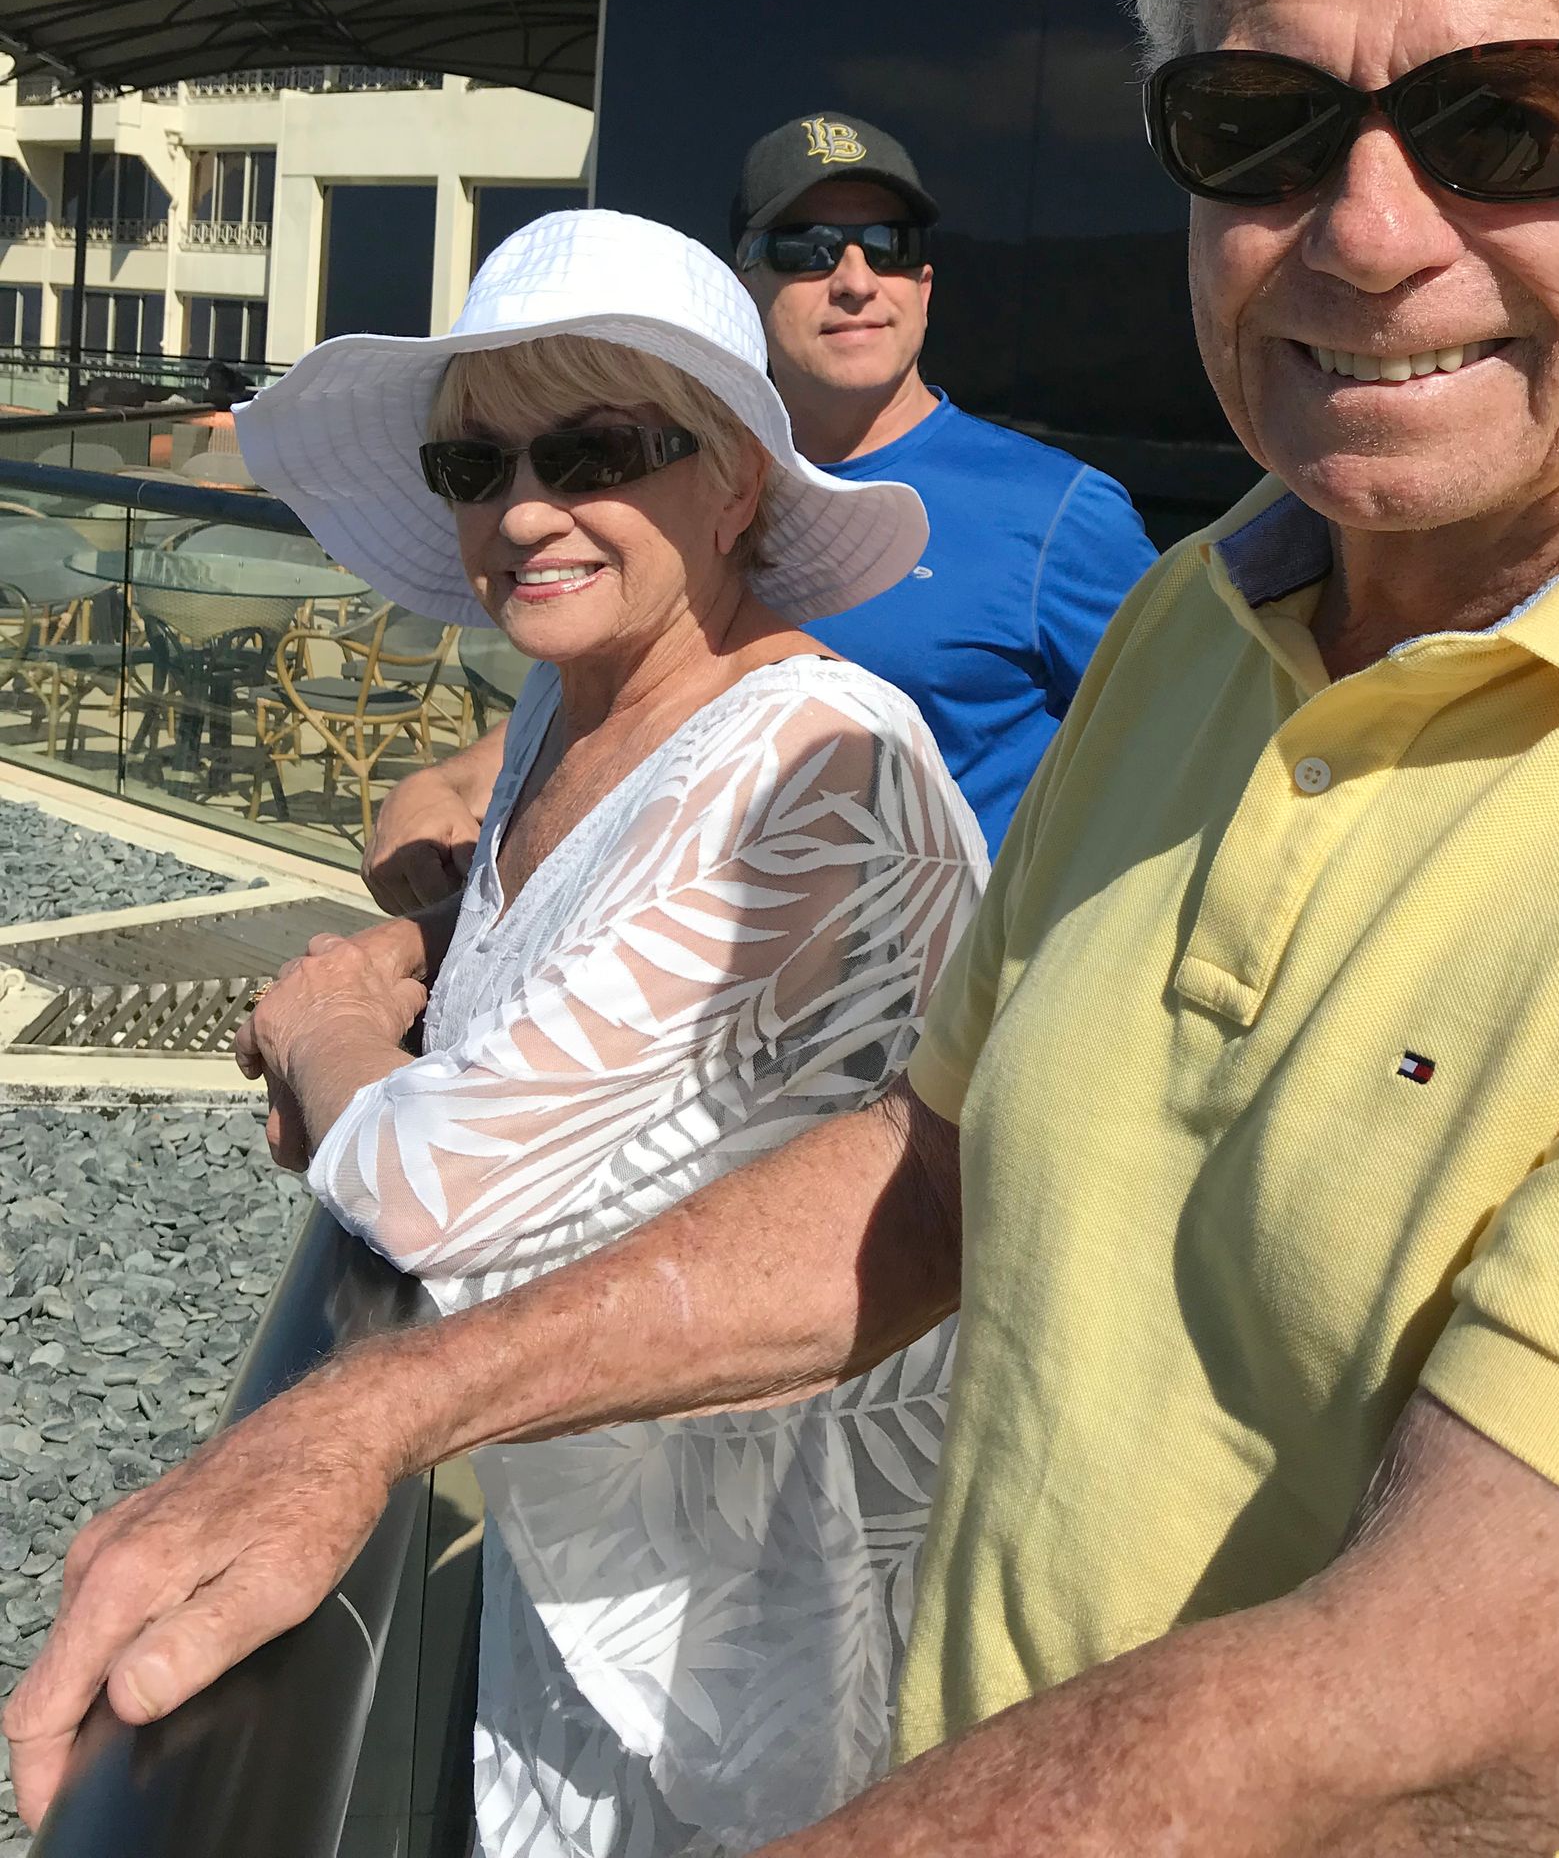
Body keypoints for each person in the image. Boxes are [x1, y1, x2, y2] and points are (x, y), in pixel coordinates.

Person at [14, 0, 1559, 1858]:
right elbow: (930, 1180)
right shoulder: (1200, 630)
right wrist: (369, 1414)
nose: (1370, 229)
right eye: (1264, 125)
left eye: (1514, 119)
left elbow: (1448, 1697)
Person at [212, 209, 989, 1857]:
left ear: (737, 484)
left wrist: (325, 1021)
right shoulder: (573, 714)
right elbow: (568, 950)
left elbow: (435, 1190)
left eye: (595, 451)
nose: (522, 510)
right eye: (474, 466)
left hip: (764, 1635)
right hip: (596, 1544)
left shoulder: (817, 770)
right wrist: (419, 945)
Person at [364, 115, 1153, 905]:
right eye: (806, 249)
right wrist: (447, 787)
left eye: (888, 245)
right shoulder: (660, 492)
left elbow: (1176, 757)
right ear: (745, 288)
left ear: (924, 285)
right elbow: (617, 701)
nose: (855, 280)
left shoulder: (1055, 512)